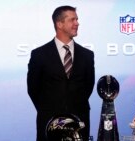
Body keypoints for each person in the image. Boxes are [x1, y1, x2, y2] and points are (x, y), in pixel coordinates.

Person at [27, 5, 95, 141]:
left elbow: (88, 87)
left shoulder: (87, 55)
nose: (77, 23)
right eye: (72, 20)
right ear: (59, 24)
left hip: (79, 123)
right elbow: (33, 89)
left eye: (77, 19)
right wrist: (48, 109)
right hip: (48, 123)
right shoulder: (39, 55)